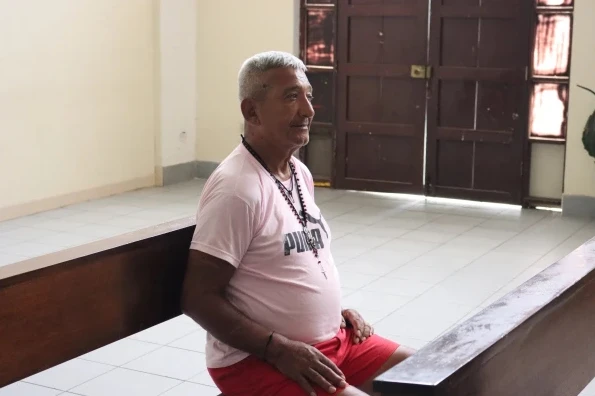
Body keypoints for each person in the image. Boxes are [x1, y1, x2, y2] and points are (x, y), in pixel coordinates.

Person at [181, 51, 414, 396]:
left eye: (308, 96)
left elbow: (295, 258)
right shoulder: (237, 189)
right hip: (260, 360)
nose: (308, 110)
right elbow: (197, 298)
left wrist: (332, 312)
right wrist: (278, 349)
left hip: (335, 341)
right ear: (252, 111)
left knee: (432, 379)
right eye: (292, 97)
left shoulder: (298, 174)